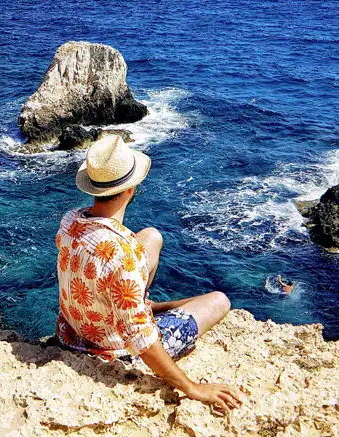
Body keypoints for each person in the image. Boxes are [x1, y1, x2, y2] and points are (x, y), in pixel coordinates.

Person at [55, 135, 242, 411]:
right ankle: (143, 310)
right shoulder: (124, 256)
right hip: (111, 351)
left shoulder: (71, 220)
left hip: (70, 332)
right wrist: (193, 388)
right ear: (130, 189)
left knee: (152, 236)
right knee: (219, 301)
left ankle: (142, 306)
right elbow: (141, 342)